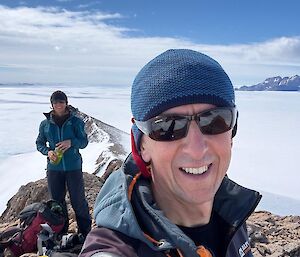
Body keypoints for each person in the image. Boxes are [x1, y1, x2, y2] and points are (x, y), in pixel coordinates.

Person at [80, 49, 262, 257]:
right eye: (168, 127)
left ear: (232, 131)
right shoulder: (119, 247)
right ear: (142, 146)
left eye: (214, 121)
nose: (196, 149)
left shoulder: (230, 214)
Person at [36, 90, 92, 238]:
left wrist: (71, 142)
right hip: (54, 167)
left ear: (66, 103)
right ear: (51, 104)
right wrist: (48, 152)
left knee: (78, 200)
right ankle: (61, 233)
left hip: (73, 167)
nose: (58, 105)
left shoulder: (76, 122)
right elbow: (39, 143)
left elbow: (84, 142)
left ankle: (85, 233)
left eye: (61, 102)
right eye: (55, 102)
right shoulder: (45, 124)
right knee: (57, 203)